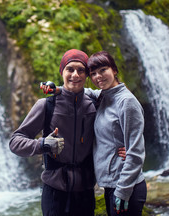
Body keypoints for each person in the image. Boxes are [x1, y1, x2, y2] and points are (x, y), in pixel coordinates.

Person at [41, 51, 146, 216]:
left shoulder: (126, 102)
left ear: (114, 70)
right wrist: (57, 90)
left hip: (125, 187)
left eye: (103, 70)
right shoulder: (103, 97)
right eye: (93, 73)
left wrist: (123, 190)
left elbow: (136, 152)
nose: (98, 77)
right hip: (112, 184)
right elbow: (83, 92)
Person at [9, 49, 97, 216]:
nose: (75, 75)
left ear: (87, 75)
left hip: (85, 192)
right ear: (62, 72)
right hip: (55, 192)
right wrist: (42, 144)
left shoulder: (95, 104)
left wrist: (121, 148)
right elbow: (15, 142)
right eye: (70, 69)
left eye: (81, 70)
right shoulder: (46, 105)